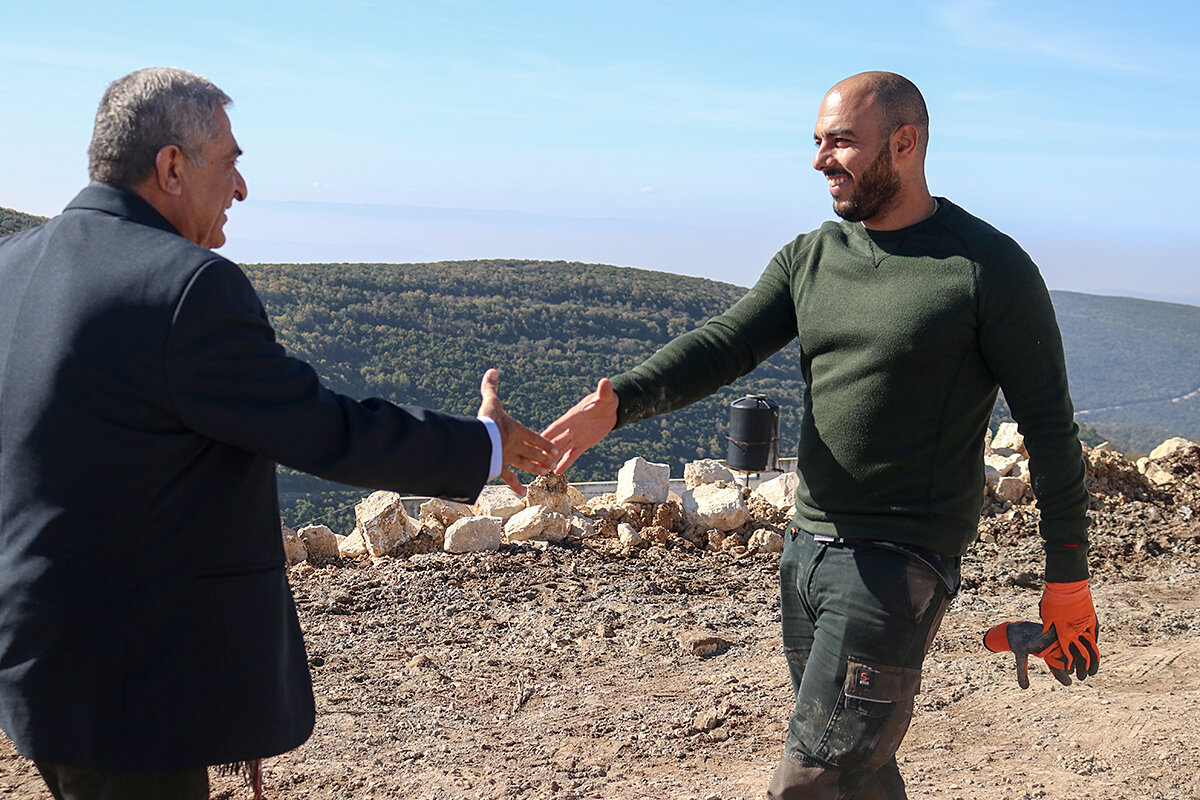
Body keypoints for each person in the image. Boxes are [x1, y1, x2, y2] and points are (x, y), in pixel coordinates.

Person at [0, 67, 558, 800]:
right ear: (172, 167)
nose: (240, 188)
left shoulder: (13, 267)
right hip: (133, 682)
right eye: (229, 162)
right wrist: (483, 444)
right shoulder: (185, 287)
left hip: (36, 660)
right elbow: (324, 429)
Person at [542, 71, 1099, 799]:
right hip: (807, 551)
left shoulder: (986, 268)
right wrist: (620, 404)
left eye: (840, 142)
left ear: (905, 143)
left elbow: (1051, 432)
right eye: (816, 142)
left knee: (813, 776)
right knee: (856, 772)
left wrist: (1068, 578)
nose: (819, 160)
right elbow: (725, 343)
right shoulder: (812, 257)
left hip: (898, 564)